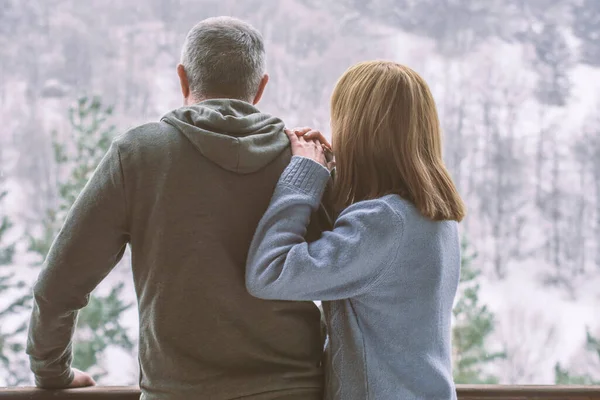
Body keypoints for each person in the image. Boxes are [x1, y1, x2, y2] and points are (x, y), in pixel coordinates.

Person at [26, 17, 332, 400]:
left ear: (183, 79)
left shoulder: (138, 155)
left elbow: (60, 283)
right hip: (295, 390)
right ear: (260, 87)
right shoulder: (304, 160)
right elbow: (350, 279)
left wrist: (52, 372)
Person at [246, 60, 466, 400]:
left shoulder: (384, 223)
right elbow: (357, 255)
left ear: (360, 131)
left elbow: (269, 273)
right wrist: (330, 175)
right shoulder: (432, 219)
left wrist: (303, 175)